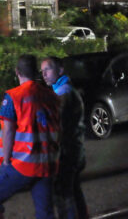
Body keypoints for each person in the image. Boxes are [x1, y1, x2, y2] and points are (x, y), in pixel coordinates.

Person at [0, 54, 60, 219]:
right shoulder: (52, 96)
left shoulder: (14, 96)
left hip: (23, 165)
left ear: (17, 72)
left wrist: (5, 162)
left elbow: (9, 130)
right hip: (47, 163)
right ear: (36, 73)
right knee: (45, 213)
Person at [41, 56, 89, 219]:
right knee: (74, 190)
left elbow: (56, 126)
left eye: (48, 69)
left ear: (60, 70)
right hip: (74, 150)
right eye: (42, 71)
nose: (44, 74)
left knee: (63, 194)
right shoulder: (62, 90)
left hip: (67, 153)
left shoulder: (63, 93)